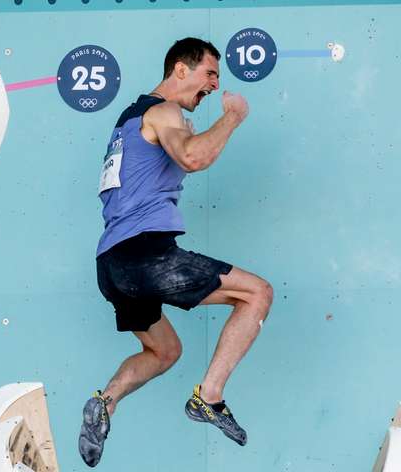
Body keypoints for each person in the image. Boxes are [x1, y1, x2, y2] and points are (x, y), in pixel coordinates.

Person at [79, 38, 273, 467]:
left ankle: (104, 403)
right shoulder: (165, 111)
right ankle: (210, 397)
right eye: (209, 74)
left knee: (165, 351)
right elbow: (192, 156)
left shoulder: (127, 121)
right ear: (180, 70)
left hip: (111, 265)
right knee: (257, 293)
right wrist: (233, 117)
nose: (213, 86)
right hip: (146, 256)